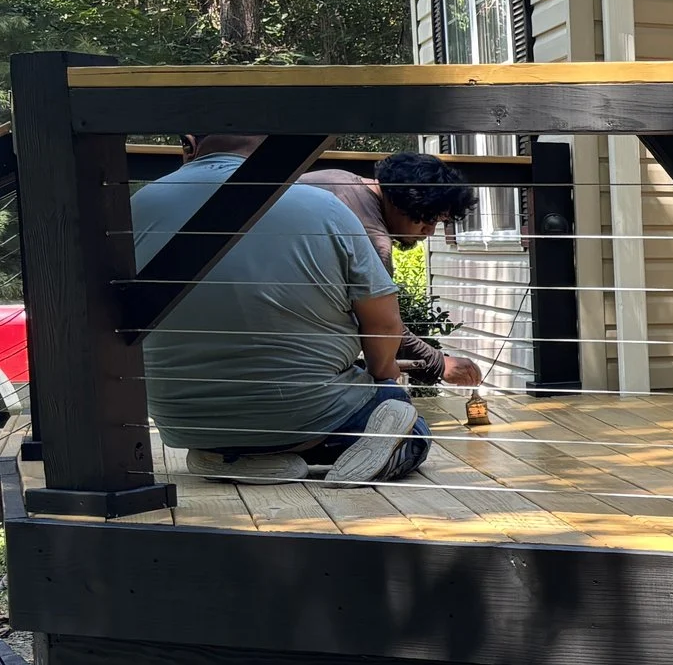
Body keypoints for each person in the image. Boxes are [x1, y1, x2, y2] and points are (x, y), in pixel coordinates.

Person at [131, 134, 433, 485]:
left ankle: (231, 457)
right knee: (404, 418)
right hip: (310, 415)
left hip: (187, 423)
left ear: (189, 144)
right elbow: (382, 324)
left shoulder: (137, 204)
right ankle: (310, 453)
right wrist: (384, 378)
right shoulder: (325, 207)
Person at [294, 151, 484, 388]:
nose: (430, 231)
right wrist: (439, 364)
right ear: (405, 201)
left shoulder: (338, 179)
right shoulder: (373, 239)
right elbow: (384, 326)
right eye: (429, 219)